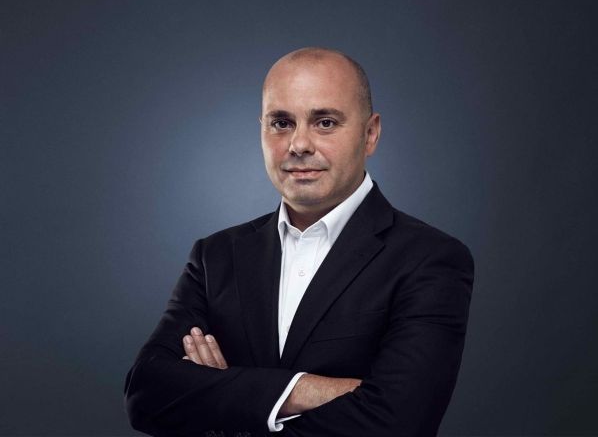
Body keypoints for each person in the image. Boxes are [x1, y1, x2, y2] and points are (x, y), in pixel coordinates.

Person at [124, 47, 475, 437]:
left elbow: (398, 423)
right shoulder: (215, 256)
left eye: (325, 122)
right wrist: (305, 390)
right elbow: (145, 394)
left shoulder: (430, 259)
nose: (299, 144)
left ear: (370, 134)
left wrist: (222, 392)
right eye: (281, 123)